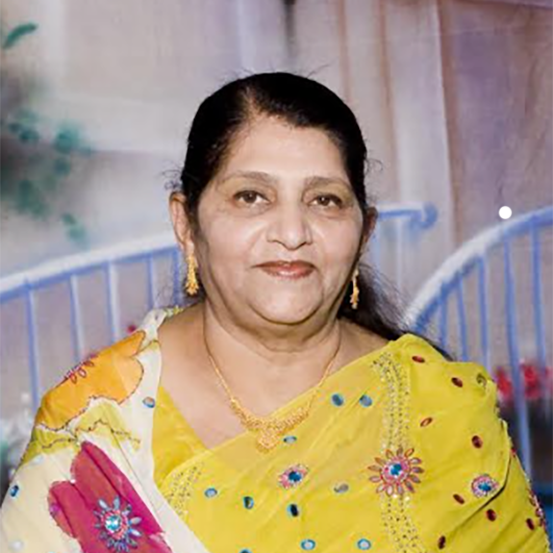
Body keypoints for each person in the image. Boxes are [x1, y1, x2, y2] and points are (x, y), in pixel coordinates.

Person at [0, 72, 550, 553]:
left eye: (325, 200)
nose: (291, 234)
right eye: (251, 197)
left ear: (363, 233)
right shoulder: (101, 419)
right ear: (185, 225)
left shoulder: (440, 408)